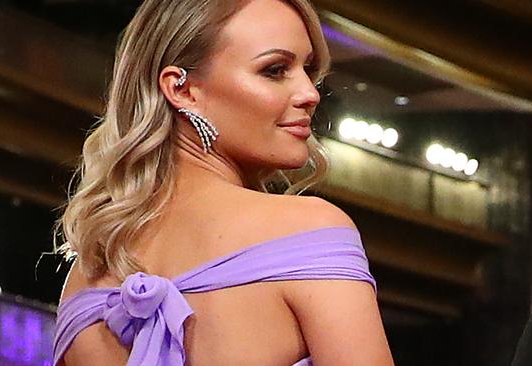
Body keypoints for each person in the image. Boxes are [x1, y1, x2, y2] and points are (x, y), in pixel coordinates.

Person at [53, 0, 394, 365]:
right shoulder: (309, 230)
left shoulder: (85, 279)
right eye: (275, 69)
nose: (309, 93)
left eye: (308, 69)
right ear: (183, 90)